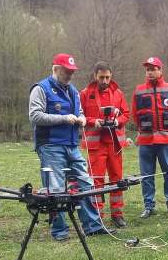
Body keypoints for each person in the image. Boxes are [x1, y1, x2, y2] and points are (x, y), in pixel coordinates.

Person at [29, 53, 114, 240]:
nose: (69, 75)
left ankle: (92, 226)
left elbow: (80, 111)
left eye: (72, 72)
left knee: (86, 183)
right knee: (56, 189)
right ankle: (59, 231)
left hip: (72, 145)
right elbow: (34, 116)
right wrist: (63, 119)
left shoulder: (73, 91)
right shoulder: (41, 89)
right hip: (50, 146)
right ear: (55, 69)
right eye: (66, 71)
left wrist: (82, 118)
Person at [131, 56, 168, 219]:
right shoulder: (139, 90)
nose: (150, 72)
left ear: (160, 70)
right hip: (146, 140)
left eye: (153, 69)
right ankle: (149, 206)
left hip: (166, 140)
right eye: (148, 69)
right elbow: (134, 114)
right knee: (146, 175)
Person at [81, 61, 130, 228]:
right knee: (96, 181)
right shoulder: (85, 94)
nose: (104, 80)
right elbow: (80, 116)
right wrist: (94, 121)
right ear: (95, 76)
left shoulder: (118, 93)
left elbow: (126, 114)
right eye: (101, 77)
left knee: (117, 180)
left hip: (114, 143)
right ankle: (97, 215)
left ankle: (117, 214)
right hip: (96, 145)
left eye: (107, 77)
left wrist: (118, 122)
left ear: (111, 76)